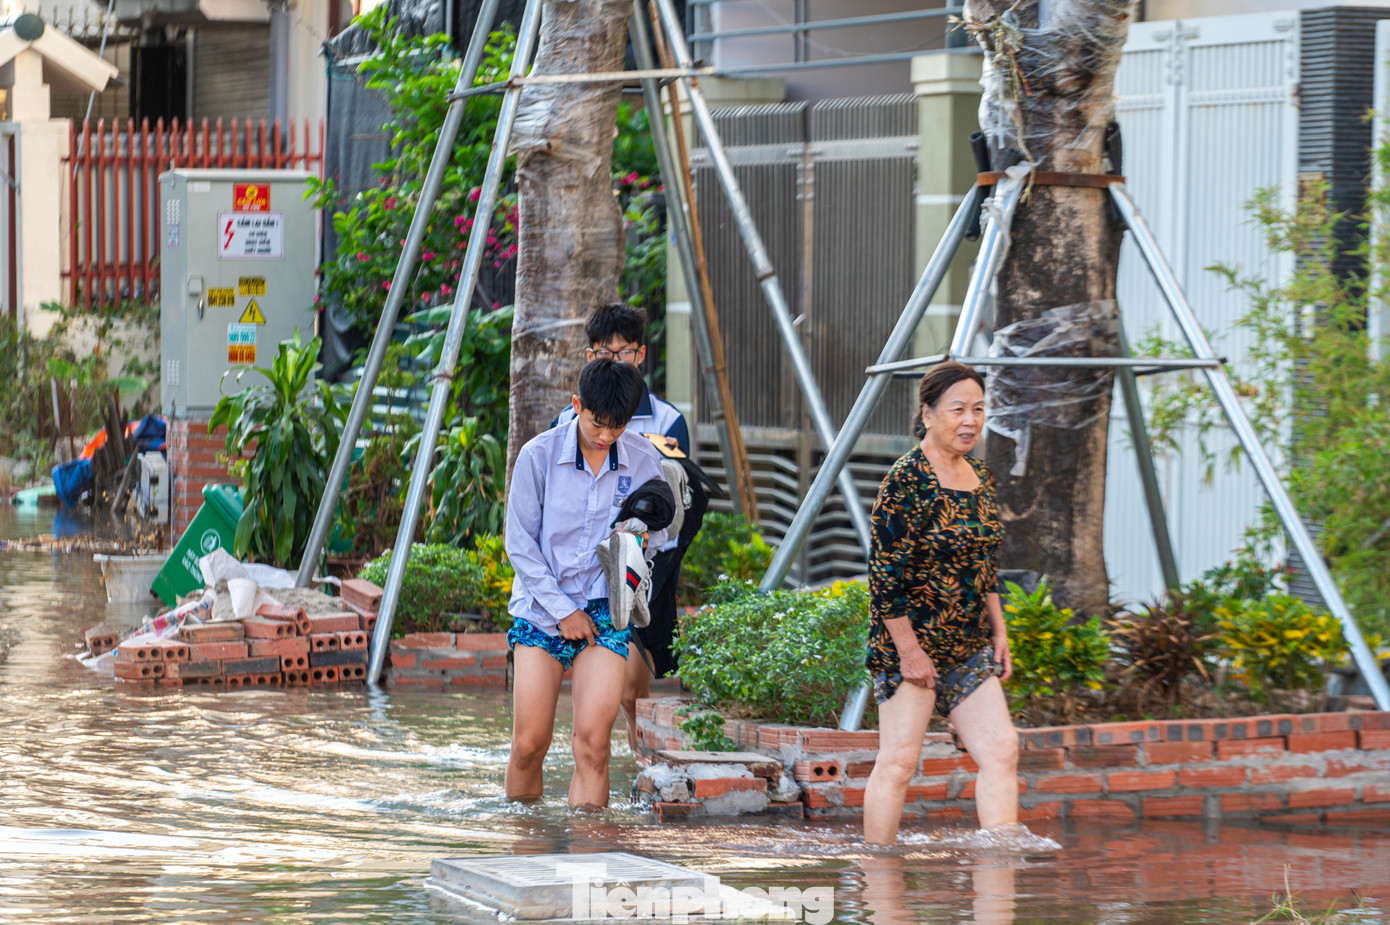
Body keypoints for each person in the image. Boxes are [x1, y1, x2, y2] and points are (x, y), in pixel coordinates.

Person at [862, 361, 1019, 845]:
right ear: (927, 414)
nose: (970, 420)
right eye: (958, 409)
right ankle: (880, 874)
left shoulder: (981, 477)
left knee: (1001, 749)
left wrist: (999, 632)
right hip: (913, 645)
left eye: (978, 409)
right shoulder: (906, 480)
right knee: (899, 761)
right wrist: (910, 652)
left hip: (967, 645)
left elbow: (985, 564)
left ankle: (998, 881)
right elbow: (884, 577)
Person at [504, 358, 669, 807]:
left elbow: (661, 530)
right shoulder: (537, 455)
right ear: (577, 405)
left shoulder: (642, 458)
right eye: (597, 424)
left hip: (605, 609)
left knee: (593, 747)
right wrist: (564, 612)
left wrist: (638, 536)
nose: (605, 436)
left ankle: (588, 858)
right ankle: (526, 847)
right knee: (528, 746)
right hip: (542, 612)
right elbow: (519, 545)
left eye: (617, 427)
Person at [550, 303, 707, 753]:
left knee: (630, 689)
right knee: (594, 693)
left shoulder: (665, 421)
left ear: (640, 355)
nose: (615, 361)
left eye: (624, 353)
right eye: (604, 352)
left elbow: (677, 506)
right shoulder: (568, 420)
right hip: (583, 575)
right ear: (589, 356)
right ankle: (607, 759)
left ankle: (639, 767)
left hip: (643, 569)